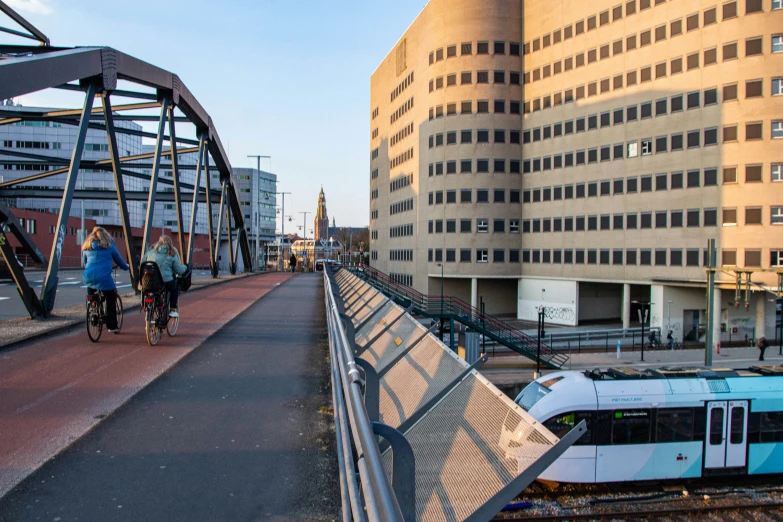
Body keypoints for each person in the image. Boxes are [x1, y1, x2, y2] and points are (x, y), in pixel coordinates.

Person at [82, 226, 129, 333]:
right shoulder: (109, 246)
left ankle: (93, 310)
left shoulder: (87, 246)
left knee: (91, 295)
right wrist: (126, 267)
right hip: (104, 277)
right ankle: (111, 326)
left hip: (88, 276)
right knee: (111, 297)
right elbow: (119, 260)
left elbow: (85, 262)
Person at [142, 235, 188, 318]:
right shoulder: (171, 254)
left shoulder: (150, 251)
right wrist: (185, 267)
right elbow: (179, 271)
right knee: (174, 287)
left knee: (151, 290)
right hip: (166, 282)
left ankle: (149, 304)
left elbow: (142, 264)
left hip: (149, 280)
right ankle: (173, 309)